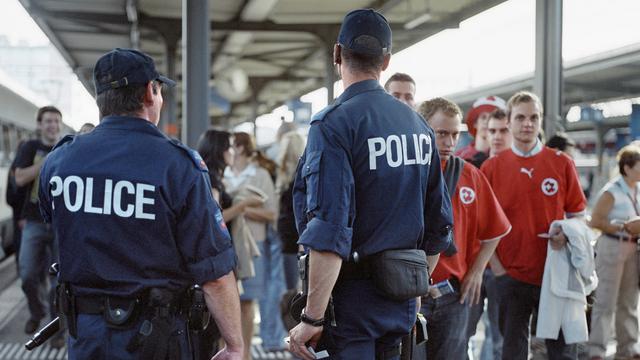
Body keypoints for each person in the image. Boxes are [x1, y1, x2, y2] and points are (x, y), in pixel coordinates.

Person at [38, 48, 243, 359]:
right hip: (156, 338)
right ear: (151, 92)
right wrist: (235, 345)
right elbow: (213, 273)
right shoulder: (178, 165)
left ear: (100, 98)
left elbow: (56, 223)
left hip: (85, 337)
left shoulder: (60, 160)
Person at [288, 9, 453, 359]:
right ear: (387, 60)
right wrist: (409, 290)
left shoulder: (333, 124)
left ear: (337, 54)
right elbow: (439, 228)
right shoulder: (418, 127)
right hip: (402, 301)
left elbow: (330, 230)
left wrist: (311, 317)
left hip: (351, 303)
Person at [480, 91, 587, 360]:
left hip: (556, 272)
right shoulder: (492, 167)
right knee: (512, 350)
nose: (527, 123)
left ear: (540, 121)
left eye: (534, 117)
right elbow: (483, 226)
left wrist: (567, 232)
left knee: (561, 352)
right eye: (521, 117)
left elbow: (578, 214)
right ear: (510, 122)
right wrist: (498, 268)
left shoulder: (561, 163)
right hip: (511, 276)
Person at [417, 98, 511, 360]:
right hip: (409, 294)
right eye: (441, 134)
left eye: (455, 134)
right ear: (422, 130)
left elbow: (496, 229)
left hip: (452, 296)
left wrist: (477, 270)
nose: (449, 142)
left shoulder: (469, 175)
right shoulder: (406, 172)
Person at [197, 129, 263, 359]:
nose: (233, 152)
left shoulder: (204, 174)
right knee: (222, 319)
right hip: (220, 257)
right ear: (219, 150)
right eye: (229, 147)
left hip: (216, 255)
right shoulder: (212, 178)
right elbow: (217, 218)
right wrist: (243, 205)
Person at [224, 132, 285, 356]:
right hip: (226, 244)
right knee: (225, 302)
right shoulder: (223, 175)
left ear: (239, 148)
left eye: (232, 145)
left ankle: (246, 353)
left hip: (253, 246)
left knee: (247, 302)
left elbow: (272, 213)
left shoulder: (260, 175)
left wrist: (241, 209)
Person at [587, 144, 640, 360]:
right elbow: (595, 221)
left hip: (632, 249)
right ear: (627, 168)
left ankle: (628, 347)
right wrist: (623, 226)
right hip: (612, 247)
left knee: (629, 300)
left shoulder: (637, 190)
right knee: (606, 300)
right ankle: (597, 349)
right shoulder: (611, 191)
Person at [14, 106, 61, 339]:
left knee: (58, 281)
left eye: (56, 121)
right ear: (40, 125)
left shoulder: (68, 146)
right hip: (34, 221)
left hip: (61, 223)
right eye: (48, 121)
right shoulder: (30, 148)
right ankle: (37, 310)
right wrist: (46, 161)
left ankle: (55, 326)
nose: (52, 125)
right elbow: (20, 178)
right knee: (28, 273)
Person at [456, 96, 506, 168]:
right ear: (475, 123)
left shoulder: (505, 156)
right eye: (483, 117)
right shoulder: (459, 157)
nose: (486, 122)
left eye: (491, 118)